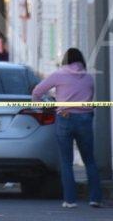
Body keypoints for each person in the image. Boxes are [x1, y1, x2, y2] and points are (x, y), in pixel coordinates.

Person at [32, 48, 102, 209]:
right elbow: (90, 98)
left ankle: (70, 200)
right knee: (89, 160)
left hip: (64, 117)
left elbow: (37, 91)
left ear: (65, 60)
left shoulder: (59, 75)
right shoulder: (89, 77)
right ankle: (95, 199)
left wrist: (40, 105)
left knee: (66, 161)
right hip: (85, 118)